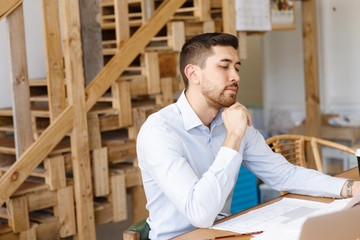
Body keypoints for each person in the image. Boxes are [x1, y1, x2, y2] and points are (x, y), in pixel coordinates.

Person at [136, 33, 360, 239]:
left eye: (237, 68)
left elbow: (284, 175)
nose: (235, 77)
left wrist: (348, 188)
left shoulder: (232, 118)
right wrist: (233, 136)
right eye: (224, 67)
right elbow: (200, 213)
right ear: (193, 74)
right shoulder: (159, 132)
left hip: (225, 232)